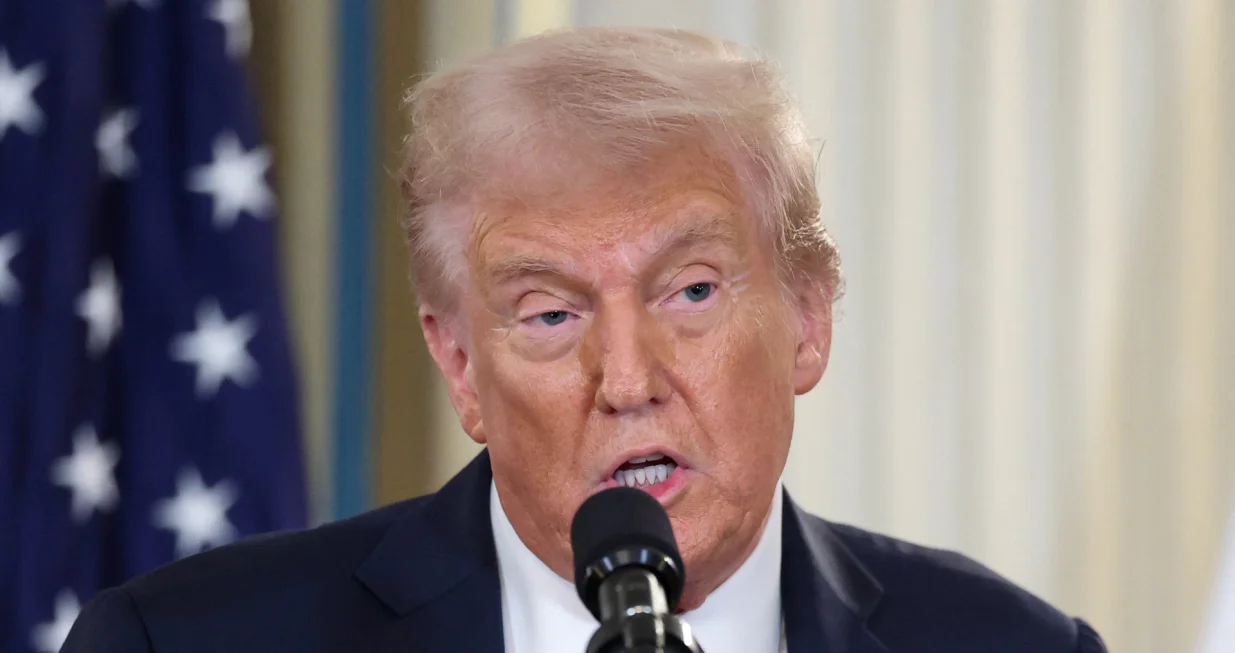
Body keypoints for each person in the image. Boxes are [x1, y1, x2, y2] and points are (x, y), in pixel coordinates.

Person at [65, 27, 1107, 653]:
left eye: (690, 290)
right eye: (551, 312)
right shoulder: (189, 644)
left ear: (807, 316)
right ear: (461, 365)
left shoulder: (1008, 646)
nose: (625, 378)